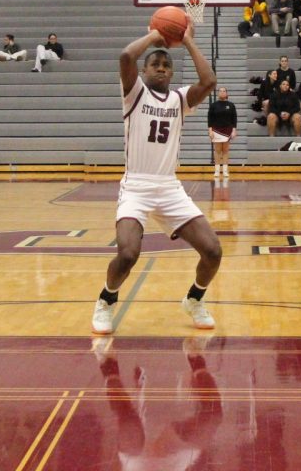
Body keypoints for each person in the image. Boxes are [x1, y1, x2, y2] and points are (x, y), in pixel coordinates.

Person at [92, 18, 219, 334]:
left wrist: (187, 41)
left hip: (168, 187)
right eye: (155, 64)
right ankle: (106, 302)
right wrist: (155, 35)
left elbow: (208, 82)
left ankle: (194, 299)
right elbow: (125, 57)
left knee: (213, 251)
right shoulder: (134, 94)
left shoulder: (178, 100)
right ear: (144, 71)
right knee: (128, 254)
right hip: (136, 185)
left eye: (166, 65)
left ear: (172, 73)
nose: (161, 68)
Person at [206, 87, 237, 180]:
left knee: (226, 150)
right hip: (216, 129)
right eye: (220, 91)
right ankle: (216, 170)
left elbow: (234, 118)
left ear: (226, 93)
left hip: (227, 129)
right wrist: (210, 130)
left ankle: (225, 170)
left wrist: (234, 130)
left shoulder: (231, 105)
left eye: (224, 91)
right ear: (218, 93)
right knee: (218, 150)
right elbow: (210, 118)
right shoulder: (214, 105)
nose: (222, 92)